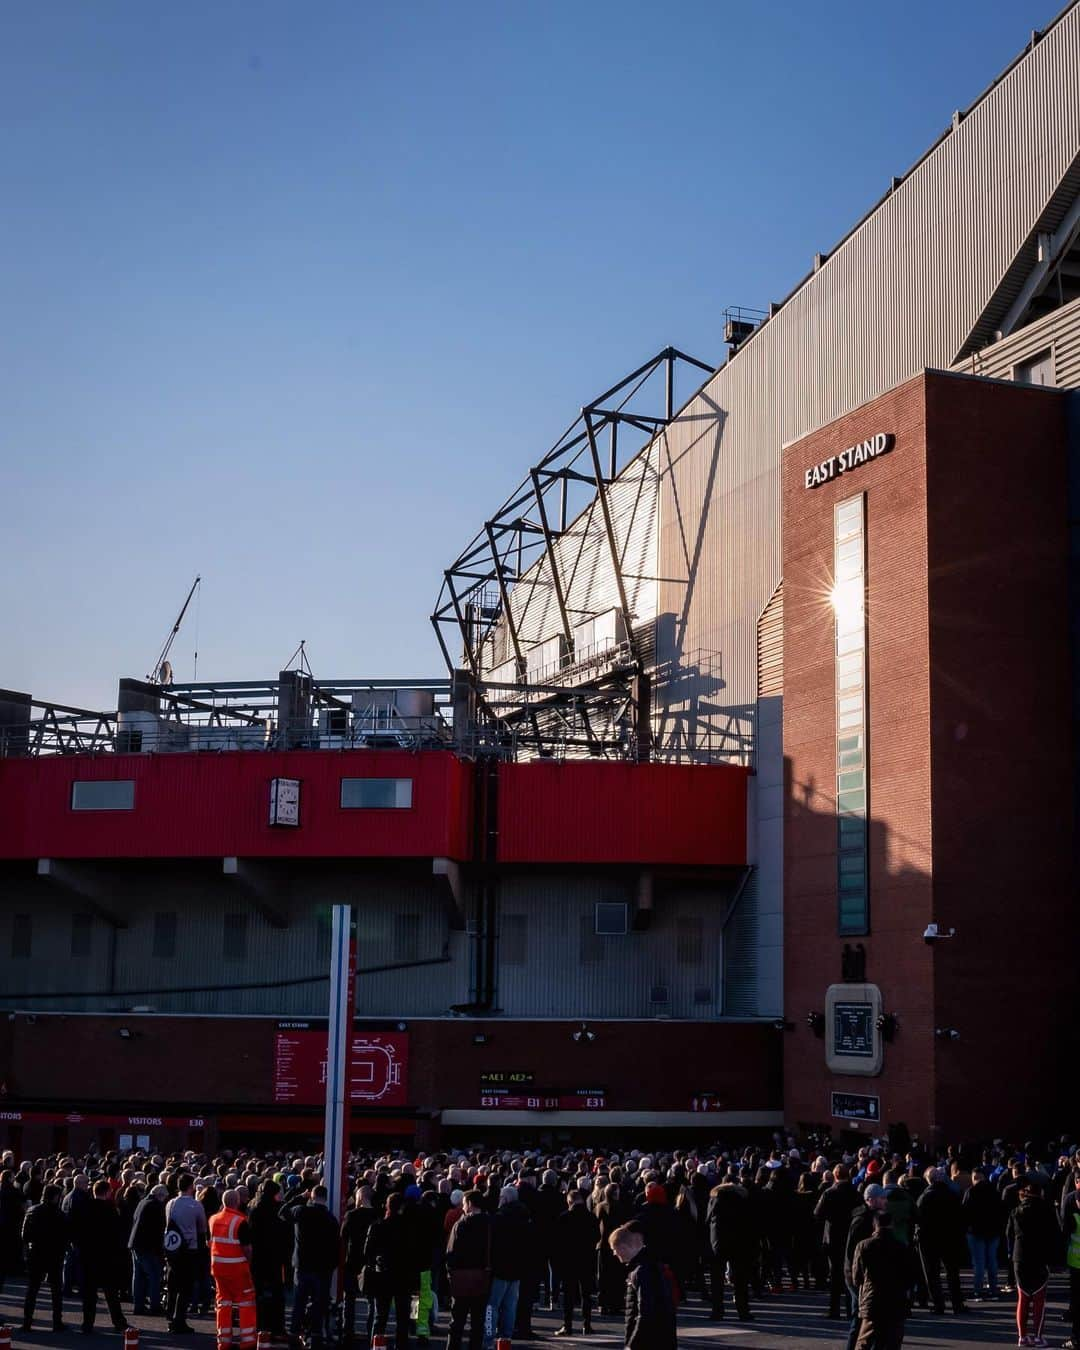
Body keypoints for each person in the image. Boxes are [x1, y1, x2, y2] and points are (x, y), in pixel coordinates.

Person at [1008, 1177, 1061, 1347]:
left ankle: (1022, 1336)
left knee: (1023, 1298)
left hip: (1020, 1257)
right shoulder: (1047, 1210)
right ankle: (1038, 1336)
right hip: (1040, 1257)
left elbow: (1008, 1233)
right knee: (1039, 1299)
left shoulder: (1016, 1211)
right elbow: (1055, 1234)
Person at [850, 1211, 914, 1350]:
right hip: (896, 1301)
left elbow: (857, 1277)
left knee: (865, 1342)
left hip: (872, 1300)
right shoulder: (901, 1246)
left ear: (874, 1225)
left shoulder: (863, 1245)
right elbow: (909, 1277)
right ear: (891, 1225)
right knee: (892, 1343)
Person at [610, 1223, 677, 1350]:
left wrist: (632, 1344)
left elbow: (645, 1312)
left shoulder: (641, 1271)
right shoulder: (649, 1265)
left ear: (623, 1247)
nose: (614, 1253)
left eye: (614, 1249)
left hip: (649, 1341)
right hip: (658, 1337)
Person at [290, 1185, 340, 1349]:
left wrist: (300, 1197)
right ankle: (316, 1334)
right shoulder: (331, 1219)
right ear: (325, 1198)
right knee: (319, 1303)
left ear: (311, 1195)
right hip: (322, 1269)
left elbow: (283, 1212)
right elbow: (335, 1246)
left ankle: (294, 1333)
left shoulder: (301, 1211)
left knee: (299, 1302)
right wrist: (332, 1266)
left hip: (302, 1265)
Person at [81, 1177, 130, 1334]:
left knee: (89, 1294)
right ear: (108, 1192)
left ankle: (87, 1323)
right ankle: (119, 1322)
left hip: (89, 1255)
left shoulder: (86, 1207)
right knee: (111, 1293)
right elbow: (116, 1233)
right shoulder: (110, 1209)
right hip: (107, 1256)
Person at [915, 1167, 968, 1315]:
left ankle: (938, 1304)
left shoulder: (924, 1197)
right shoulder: (952, 1195)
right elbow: (960, 1217)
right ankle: (957, 1303)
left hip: (929, 1240)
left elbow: (919, 1220)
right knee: (952, 1272)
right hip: (949, 1238)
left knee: (932, 1274)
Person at [487, 1183, 533, 1349]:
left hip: (500, 1267)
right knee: (510, 1306)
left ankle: (488, 1337)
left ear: (504, 1199)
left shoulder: (499, 1217)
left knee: (491, 1306)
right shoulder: (525, 1216)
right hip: (518, 1268)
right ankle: (506, 1339)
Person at [209, 1187, 256, 1350]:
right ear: (237, 1202)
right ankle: (248, 1340)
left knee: (223, 1304)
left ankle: (224, 1341)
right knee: (246, 1304)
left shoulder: (213, 1219)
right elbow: (247, 1249)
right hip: (237, 1269)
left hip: (218, 1268)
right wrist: (249, 1263)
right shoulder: (240, 1221)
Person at [445, 1190, 492, 1350]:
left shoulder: (461, 1225)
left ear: (470, 1204)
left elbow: (451, 1252)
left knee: (457, 1321)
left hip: (461, 1277)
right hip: (482, 1276)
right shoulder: (490, 1223)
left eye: (464, 1204)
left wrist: (450, 1271)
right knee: (478, 1322)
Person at [705, 1173, 754, 1321]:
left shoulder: (714, 1198)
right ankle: (742, 1310)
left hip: (719, 1241)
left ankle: (717, 1310)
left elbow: (707, 1219)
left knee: (717, 1278)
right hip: (738, 1240)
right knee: (740, 1278)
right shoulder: (743, 1199)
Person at [552, 1187, 600, 1337]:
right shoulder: (591, 1217)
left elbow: (557, 1242)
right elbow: (597, 1236)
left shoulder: (564, 1217)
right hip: (587, 1258)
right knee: (586, 1294)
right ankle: (587, 1324)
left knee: (569, 1295)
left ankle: (568, 1325)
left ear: (569, 1201)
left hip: (569, 1260)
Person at [21, 1182, 69, 1332]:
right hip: (54, 1255)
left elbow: (24, 1235)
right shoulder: (59, 1214)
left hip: (36, 1253)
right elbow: (65, 1236)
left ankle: (27, 1321)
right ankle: (57, 1321)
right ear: (55, 1197)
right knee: (56, 1291)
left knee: (32, 1289)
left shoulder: (32, 1210)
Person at [165, 1171, 208, 1334]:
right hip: (189, 1248)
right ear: (191, 1187)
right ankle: (179, 1319)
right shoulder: (196, 1205)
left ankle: (171, 1316)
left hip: (172, 1248)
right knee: (185, 1286)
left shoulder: (170, 1203)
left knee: (172, 1284)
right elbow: (202, 1228)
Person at [816, 1163, 858, 1318]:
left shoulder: (829, 1193)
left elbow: (818, 1213)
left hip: (833, 1236)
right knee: (849, 1273)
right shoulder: (855, 1193)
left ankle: (834, 1309)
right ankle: (850, 1309)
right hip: (849, 1235)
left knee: (835, 1274)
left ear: (835, 1176)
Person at [249, 1179, 288, 1339]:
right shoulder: (276, 1210)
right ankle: (276, 1326)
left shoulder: (254, 1209)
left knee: (258, 1294)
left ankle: (259, 1325)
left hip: (258, 1257)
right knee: (277, 1294)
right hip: (274, 1257)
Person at [341, 1185, 377, 1345]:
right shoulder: (378, 1215)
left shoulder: (351, 1215)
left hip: (352, 1261)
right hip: (370, 1263)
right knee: (371, 1300)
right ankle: (372, 1334)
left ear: (360, 1198)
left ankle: (348, 1332)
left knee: (349, 1299)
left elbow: (343, 1235)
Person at [963, 1166, 1004, 1301]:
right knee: (992, 1261)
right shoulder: (994, 1191)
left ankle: (978, 1291)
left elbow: (965, 1212)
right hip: (993, 1231)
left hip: (975, 1231)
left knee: (979, 1263)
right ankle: (993, 1290)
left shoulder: (971, 1192)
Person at [129, 1183, 168, 1316]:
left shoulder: (142, 1202)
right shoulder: (155, 1206)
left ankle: (138, 1305)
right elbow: (157, 1230)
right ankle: (155, 1305)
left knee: (138, 1276)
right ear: (160, 1196)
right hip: (147, 1246)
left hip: (135, 1243)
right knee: (154, 1276)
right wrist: (160, 1251)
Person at [1059, 1168, 1080, 1350]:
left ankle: (1076, 1338)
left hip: (1075, 1260)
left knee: (1076, 1299)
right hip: (1075, 1260)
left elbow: (1064, 1228)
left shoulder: (1070, 1199)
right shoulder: (1071, 1199)